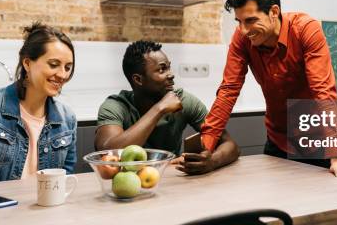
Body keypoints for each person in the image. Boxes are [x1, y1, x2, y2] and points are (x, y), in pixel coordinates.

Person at [200, 0, 337, 176]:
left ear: (274, 12)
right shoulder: (242, 38)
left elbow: (323, 92)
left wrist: (336, 153)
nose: (243, 30)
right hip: (277, 142)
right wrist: (206, 147)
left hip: (319, 143)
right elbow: (228, 90)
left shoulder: (306, 30)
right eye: (239, 21)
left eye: (250, 20)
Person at [0, 22, 77, 186]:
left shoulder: (67, 119)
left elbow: (63, 184)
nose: (62, 74)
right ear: (27, 64)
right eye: (54, 64)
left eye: (68, 67)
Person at [95, 40, 239, 175]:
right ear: (138, 79)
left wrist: (211, 162)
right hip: (127, 184)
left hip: (171, 181)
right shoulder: (115, 106)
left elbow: (231, 145)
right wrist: (160, 108)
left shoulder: (183, 100)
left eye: (169, 67)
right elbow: (108, 155)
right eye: (162, 69)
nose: (171, 75)